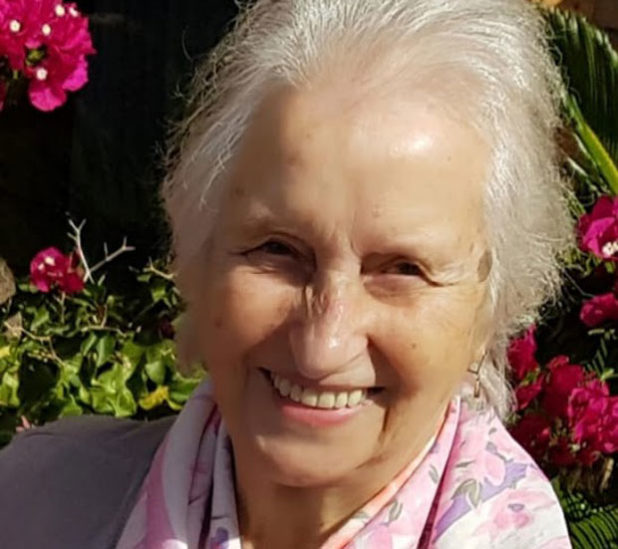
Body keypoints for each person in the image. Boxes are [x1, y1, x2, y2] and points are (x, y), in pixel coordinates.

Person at [0, 0, 574, 547]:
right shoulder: (33, 504)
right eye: (277, 250)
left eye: (403, 269)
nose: (323, 346)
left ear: (490, 311)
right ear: (198, 261)